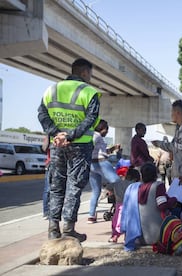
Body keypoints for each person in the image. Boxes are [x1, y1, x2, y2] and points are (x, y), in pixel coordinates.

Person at [38, 57, 100, 242]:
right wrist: (70, 135)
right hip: (80, 146)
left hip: (57, 145)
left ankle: (53, 228)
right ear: (84, 73)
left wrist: (57, 134)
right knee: (74, 186)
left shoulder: (52, 89)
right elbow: (91, 118)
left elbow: (42, 114)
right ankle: (68, 228)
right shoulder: (89, 92)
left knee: (56, 187)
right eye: (90, 74)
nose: (90, 78)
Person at [121, 162, 178, 251]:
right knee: (177, 211)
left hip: (140, 237)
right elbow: (162, 205)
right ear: (155, 174)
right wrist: (173, 199)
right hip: (158, 236)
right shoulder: (158, 186)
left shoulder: (136, 188)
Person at [152, 100, 182, 185]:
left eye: (172, 111)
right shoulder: (179, 131)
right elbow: (173, 147)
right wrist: (159, 143)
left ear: (177, 112)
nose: (171, 114)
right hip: (178, 180)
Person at [88, 119, 121, 224]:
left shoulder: (96, 137)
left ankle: (91, 215)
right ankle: (120, 206)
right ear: (103, 128)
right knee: (118, 182)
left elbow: (103, 151)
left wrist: (113, 148)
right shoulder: (96, 136)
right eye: (107, 130)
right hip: (101, 163)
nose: (107, 132)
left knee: (95, 191)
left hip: (93, 165)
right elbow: (91, 147)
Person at [107, 166, 140, 243]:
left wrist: (112, 192)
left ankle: (114, 236)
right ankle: (127, 237)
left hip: (119, 205)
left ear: (126, 176)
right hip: (131, 206)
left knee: (116, 222)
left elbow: (108, 187)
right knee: (129, 223)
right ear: (135, 178)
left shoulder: (117, 183)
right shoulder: (135, 184)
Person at [41, 135, 51, 220]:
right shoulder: (49, 136)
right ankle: (46, 211)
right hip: (51, 164)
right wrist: (48, 136)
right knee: (48, 189)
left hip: (62, 163)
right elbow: (44, 148)